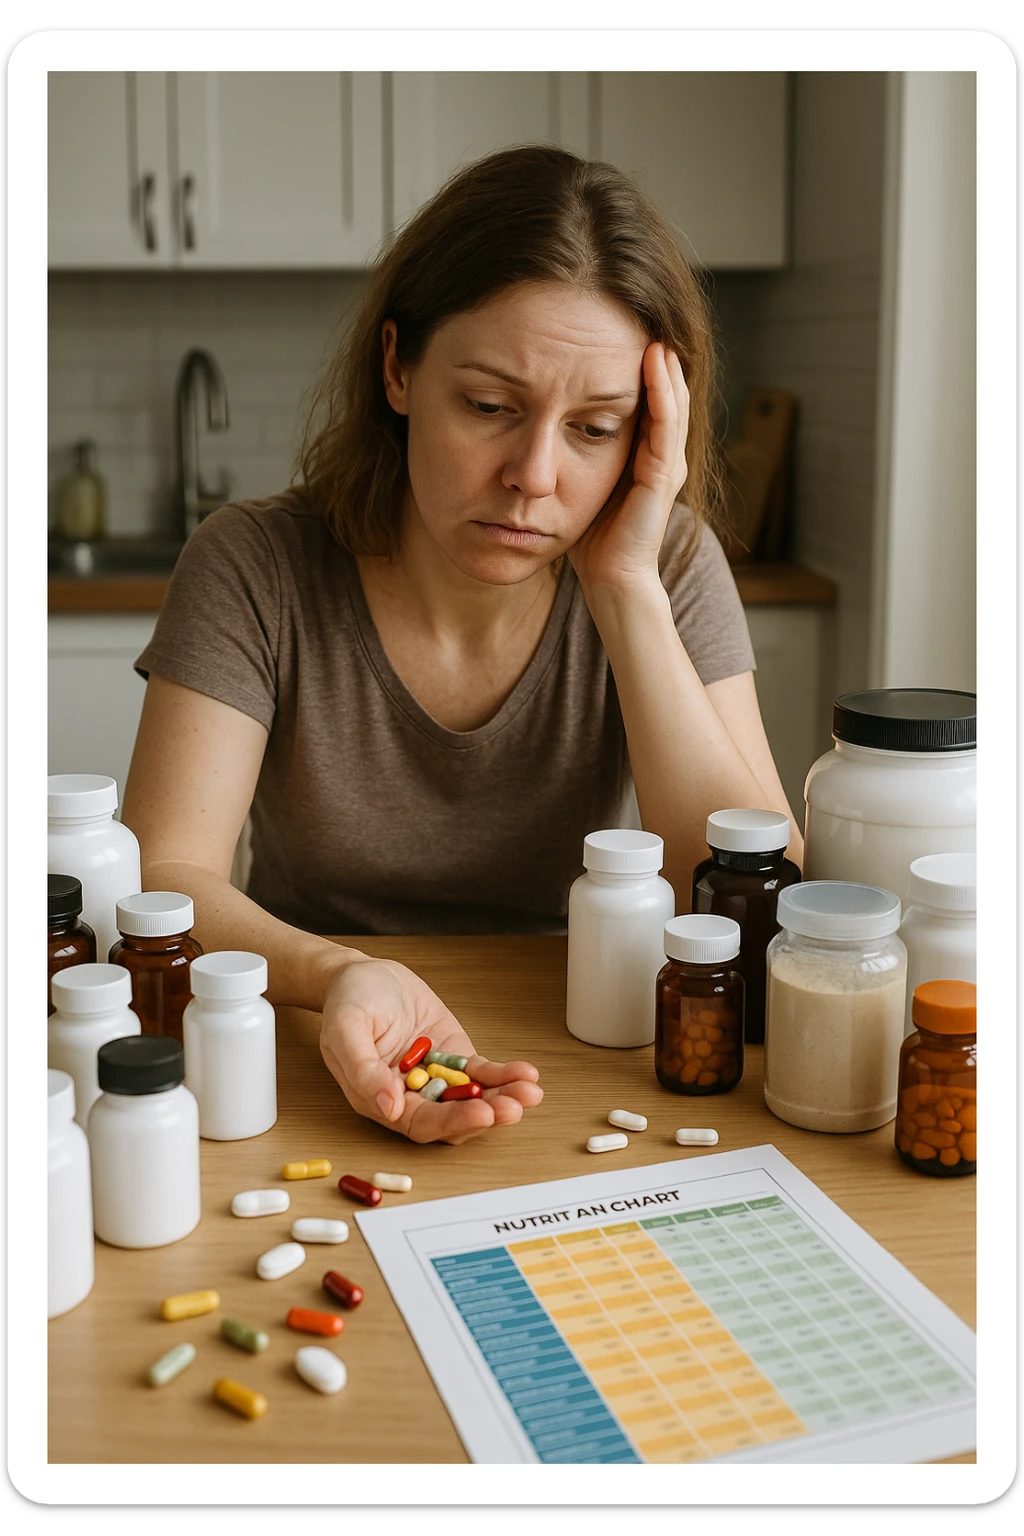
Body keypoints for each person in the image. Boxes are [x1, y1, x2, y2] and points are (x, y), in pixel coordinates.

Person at [123, 144, 803, 1146]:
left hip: (578, 1043)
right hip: (301, 1033)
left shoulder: (665, 565)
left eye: (595, 427)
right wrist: (339, 972)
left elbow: (754, 889)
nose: (533, 475)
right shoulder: (255, 563)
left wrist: (622, 591)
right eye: (489, 407)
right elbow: (161, 874)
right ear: (398, 368)